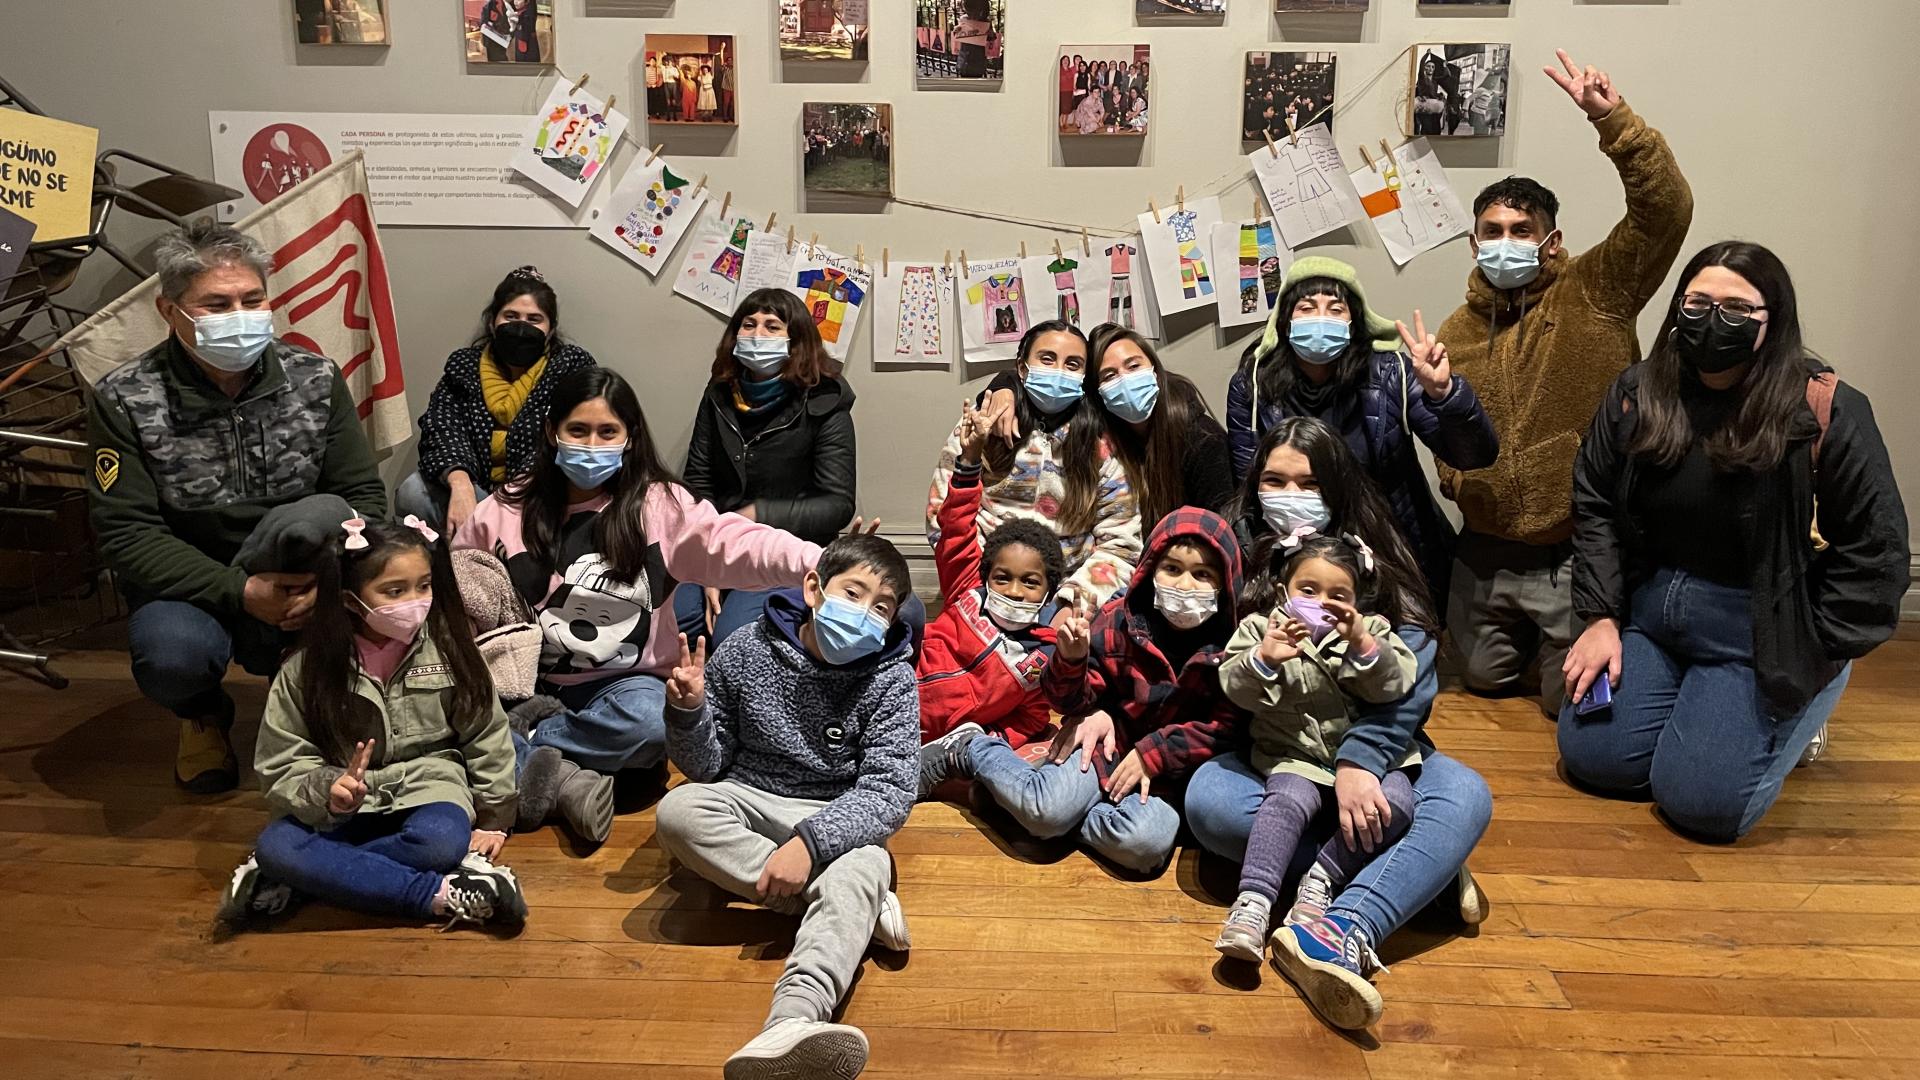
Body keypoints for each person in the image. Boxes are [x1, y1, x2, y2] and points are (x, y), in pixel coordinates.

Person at [1559, 242, 1907, 843]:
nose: (1713, 319)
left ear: (1773, 322)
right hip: (1651, 610)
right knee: (1596, 760)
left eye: (1737, 308)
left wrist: (1814, 647)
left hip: (1760, 624)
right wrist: (1599, 617)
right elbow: (1593, 502)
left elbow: (1876, 553)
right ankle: (1698, 710)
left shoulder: (1825, 409)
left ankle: (1808, 705)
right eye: (1698, 302)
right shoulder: (1638, 392)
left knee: (1702, 805)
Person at [1186, 418, 1492, 1028]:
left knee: (1464, 794)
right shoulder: (1230, 551)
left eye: (1308, 481)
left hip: (1378, 760)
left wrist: (1359, 762)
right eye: (1274, 480)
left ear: (1339, 490)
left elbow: (1408, 684)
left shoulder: (1375, 576)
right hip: (1281, 759)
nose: (1289, 494)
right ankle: (1415, 872)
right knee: (1207, 802)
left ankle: (1342, 930)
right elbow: (1209, 671)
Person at [453, 368, 824, 846]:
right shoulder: (503, 509)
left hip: (623, 686)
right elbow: (460, 584)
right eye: (578, 431)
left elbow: (736, 542)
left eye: (607, 432)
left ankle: (530, 752)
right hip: (525, 683)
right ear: (552, 432)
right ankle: (567, 781)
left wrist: (819, 562)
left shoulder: (661, 506)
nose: (592, 444)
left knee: (652, 725)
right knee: (454, 719)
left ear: (629, 438)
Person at [1435, 51, 1693, 718]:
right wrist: (1457, 482)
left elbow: (1664, 213)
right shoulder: (1455, 329)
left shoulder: (1599, 290)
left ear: (1552, 241)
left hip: (1574, 551)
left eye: (1522, 231)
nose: (1506, 242)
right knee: (1481, 682)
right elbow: (1441, 426)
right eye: (1492, 232)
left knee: (1568, 707)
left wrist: (1616, 124)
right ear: (1472, 243)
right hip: (1485, 549)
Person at [87, 221, 386, 793]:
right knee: (172, 658)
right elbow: (126, 534)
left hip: (301, 573)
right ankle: (201, 715)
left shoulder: (315, 379)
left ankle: (306, 707)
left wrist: (327, 586)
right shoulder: (125, 396)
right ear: (170, 310)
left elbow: (363, 500)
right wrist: (241, 592)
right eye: (216, 304)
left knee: (369, 607)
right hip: (190, 586)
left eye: (252, 299)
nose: (240, 314)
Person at [657, 534, 919, 1079]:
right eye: (854, 592)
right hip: (748, 794)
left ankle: (793, 1020)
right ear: (814, 588)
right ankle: (852, 908)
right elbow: (707, 767)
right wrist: (688, 713)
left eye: (882, 607)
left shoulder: (892, 675)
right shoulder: (746, 649)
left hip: (835, 810)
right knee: (679, 811)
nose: (865, 613)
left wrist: (810, 843)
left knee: (868, 861)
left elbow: (890, 790)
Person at [220, 518, 526, 929]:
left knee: (439, 842)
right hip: (340, 812)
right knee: (277, 846)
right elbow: (281, 763)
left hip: (427, 790)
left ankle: (306, 879)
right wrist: (327, 790)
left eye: (424, 585)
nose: (415, 601)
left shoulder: (451, 651)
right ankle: (439, 895)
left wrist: (494, 819)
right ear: (350, 600)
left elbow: (487, 733)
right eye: (394, 591)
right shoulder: (304, 670)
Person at [957, 509, 1247, 874]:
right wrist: (1071, 660)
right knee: (1046, 812)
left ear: (1226, 581)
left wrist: (1155, 754)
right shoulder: (1117, 621)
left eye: (1202, 574)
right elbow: (1066, 701)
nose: (1184, 586)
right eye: (1171, 569)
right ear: (1150, 569)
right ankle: (972, 749)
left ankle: (1029, 805)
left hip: (1170, 775)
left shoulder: (1236, 647)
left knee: (1144, 847)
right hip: (1110, 745)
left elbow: (1226, 728)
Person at [1212, 534, 1420, 1030]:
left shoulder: (1374, 631)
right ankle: (1255, 903)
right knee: (1285, 799)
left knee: (1400, 805)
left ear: (1357, 602)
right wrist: (1265, 658)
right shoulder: (1261, 628)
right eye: (1308, 589)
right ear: (1285, 589)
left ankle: (1319, 881)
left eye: (1339, 595)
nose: (1322, 603)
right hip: (1296, 756)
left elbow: (1396, 685)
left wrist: (1363, 643)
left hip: (1365, 765)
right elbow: (1233, 687)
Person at [1226, 256, 1498, 605]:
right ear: (1285, 321)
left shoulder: (1391, 374)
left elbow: (1475, 456)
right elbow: (1250, 490)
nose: (1321, 319)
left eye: (1335, 309)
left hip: (1395, 554)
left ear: (1354, 321)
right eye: (1306, 308)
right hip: (1296, 565)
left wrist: (1444, 394)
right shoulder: (1252, 385)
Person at [677, 289, 856, 648]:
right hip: (717, 538)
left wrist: (759, 514)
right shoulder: (718, 394)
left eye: (773, 326)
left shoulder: (826, 400)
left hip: (785, 546)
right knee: (678, 621)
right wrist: (711, 557)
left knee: (732, 638)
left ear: (795, 341)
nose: (758, 334)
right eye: (749, 324)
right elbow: (698, 481)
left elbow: (837, 505)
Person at [927, 320, 1140, 612]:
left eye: (1073, 364)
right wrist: (980, 594)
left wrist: (1068, 606)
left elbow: (1122, 543)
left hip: (1067, 604)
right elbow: (943, 516)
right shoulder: (981, 425)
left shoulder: (1100, 445)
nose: (1058, 371)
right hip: (980, 593)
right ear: (1023, 367)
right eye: (1047, 359)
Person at [916, 400, 1066, 797]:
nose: (1014, 591)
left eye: (1030, 582)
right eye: (1003, 578)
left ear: (1048, 591)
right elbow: (957, 530)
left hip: (951, 743)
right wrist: (969, 458)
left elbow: (1033, 718)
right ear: (986, 577)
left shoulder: (1042, 656)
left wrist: (991, 735)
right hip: (893, 706)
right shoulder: (966, 592)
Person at [402, 266, 597, 533]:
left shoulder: (571, 367)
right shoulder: (464, 366)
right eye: (511, 316)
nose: (521, 326)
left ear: (550, 329)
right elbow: (441, 426)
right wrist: (461, 485)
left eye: (534, 319)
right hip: (476, 491)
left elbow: (571, 439)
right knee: (413, 492)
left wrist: (506, 501)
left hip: (538, 496)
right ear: (493, 322)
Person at [1084, 325, 1235, 524]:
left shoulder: (1203, 439)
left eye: (1134, 366)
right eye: (1109, 376)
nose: (1125, 379)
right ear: (1098, 393)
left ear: (1155, 370)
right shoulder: (1105, 446)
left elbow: (1219, 529)